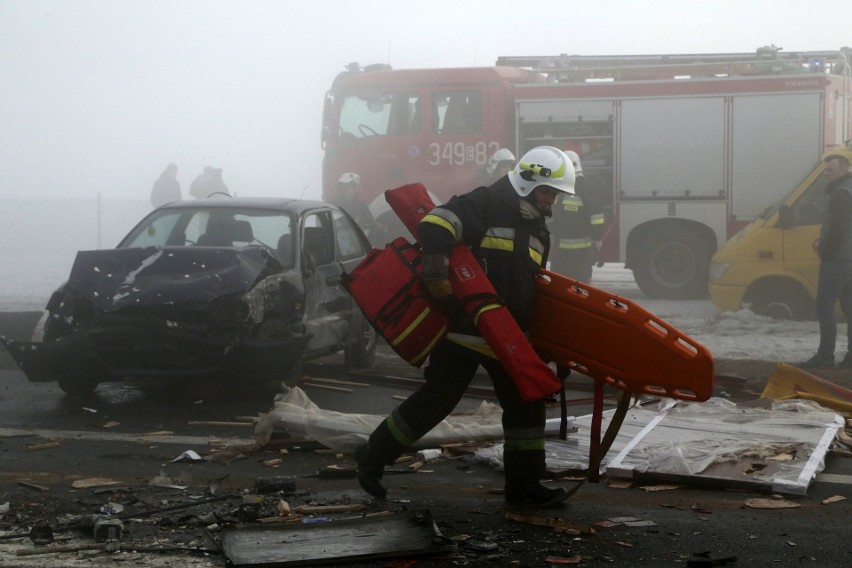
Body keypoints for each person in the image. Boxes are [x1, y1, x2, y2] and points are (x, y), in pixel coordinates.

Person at [355, 146, 576, 506]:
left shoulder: (537, 229)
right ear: (526, 183)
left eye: (556, 194)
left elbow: (530, 290)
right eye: (548, 192)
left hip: (506, 336)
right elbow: (436, 224)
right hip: (465, 328)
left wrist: (547, 343)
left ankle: (524, 488)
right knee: (437, 400)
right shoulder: (487, 202)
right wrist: (437, 273)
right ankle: (372, 455)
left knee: (527, 402)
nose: (552, 201)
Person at [800, 153, 852, 369]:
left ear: (844, 170)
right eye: (825, 170)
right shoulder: (848, 188)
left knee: (824, 303)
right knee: (849, 306)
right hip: (849, 257)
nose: (826, 174)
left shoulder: (840, 193)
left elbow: (838, 229)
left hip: (838, 258)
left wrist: (824, 250)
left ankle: (825, 355)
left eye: (830, 169)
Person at [548, 151, 604, 282]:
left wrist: (596, 238)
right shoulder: (559, 187)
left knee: (577, 288)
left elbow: (597, 215)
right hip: (561, 250)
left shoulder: (584, 187)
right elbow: (551, 213)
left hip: (580, 253)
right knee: (561, 285)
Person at [330, 173, 379, 242]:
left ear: (356, 189)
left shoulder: (362, 207)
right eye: (344, 187)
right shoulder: (332, 205)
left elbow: (370, 225)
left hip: (357, 245)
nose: (346, 189)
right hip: (337, 242)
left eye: (349, 186)